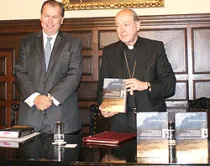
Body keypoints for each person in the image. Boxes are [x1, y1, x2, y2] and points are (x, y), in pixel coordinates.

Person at [97, 8, 176, 132]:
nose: (121, 30)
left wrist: (145, 85)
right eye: (117, 26)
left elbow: (170, 86)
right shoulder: (109, 52)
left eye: (126, 25)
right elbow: (101, 89)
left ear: (138, 25)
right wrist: (104, 107)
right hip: (120, 124)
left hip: (151, 121)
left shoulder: (155, 48)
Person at [15, 0, 83, 134]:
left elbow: (74, 74)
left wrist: (50, 98)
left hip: (62, 118)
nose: (49, 21)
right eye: (46, 16)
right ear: (40, 17)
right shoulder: (26, 43)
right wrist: (36, 98)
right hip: (30, 117)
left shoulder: (73, 43)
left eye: (54, 17)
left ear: (62, 19)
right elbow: (20, 73)